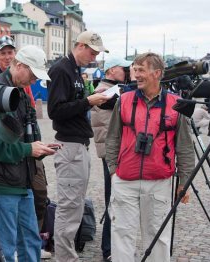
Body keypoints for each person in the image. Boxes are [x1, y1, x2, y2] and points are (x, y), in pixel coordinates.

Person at [105, 52, 194, 262]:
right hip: (125, 180)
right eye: (135, 70)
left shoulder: (176, 103)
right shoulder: (124, 100)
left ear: (157, 73)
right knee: (121, 235)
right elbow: (112, 138)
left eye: (141, 70)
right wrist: (113, 171)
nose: (136, 75)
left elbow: (184, 147)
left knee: (158, 238)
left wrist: (184, 182)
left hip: (159, 182)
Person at [0, 45, 59, 261]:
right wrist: (29, 149)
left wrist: (38, 148)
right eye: (33, 75)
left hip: (22, 179)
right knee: (4, 245)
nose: (34, 80)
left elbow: (24, 134)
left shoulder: (19, 91)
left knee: (31, 239)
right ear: (19, 66)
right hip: (2, 180)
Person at [47, 30, 110, 261]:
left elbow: (71, 104)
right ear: (81, 46)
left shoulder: (74, 69)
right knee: (69, 209)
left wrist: (93, 95)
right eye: (92, 52)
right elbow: (55, 111)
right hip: (70, 146)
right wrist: (88, 101)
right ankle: (65, 257)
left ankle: (67, 255)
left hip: (78, 145)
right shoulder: (62, 69)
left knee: (74, 207)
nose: (94, 58)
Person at [90, 56, 132, 262]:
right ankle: (108, 248)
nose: (127, 71)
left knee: (115, 198)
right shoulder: (103, 92)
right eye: (124, 68)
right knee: (113, 199)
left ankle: (113, 246)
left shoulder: (113, 89)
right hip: (112, 153)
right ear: (111, 70)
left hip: (115, 151)